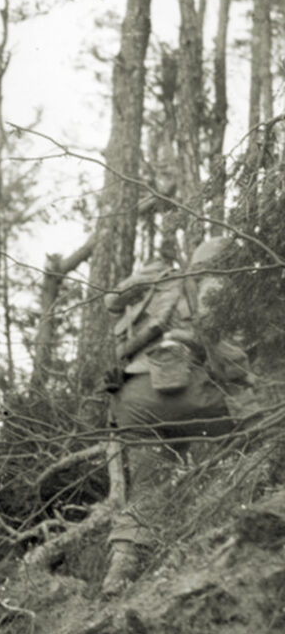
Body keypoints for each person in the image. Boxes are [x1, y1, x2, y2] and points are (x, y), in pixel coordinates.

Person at [100, 236, 253, 596]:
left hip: (134, 397)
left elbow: (111, 302)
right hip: (186, 392)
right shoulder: (214, 283)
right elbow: (217, 344)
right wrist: (246, 378)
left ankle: (121, 570)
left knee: (147, 485)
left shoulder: (157, 287)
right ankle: (234, 519)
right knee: (262, 428)